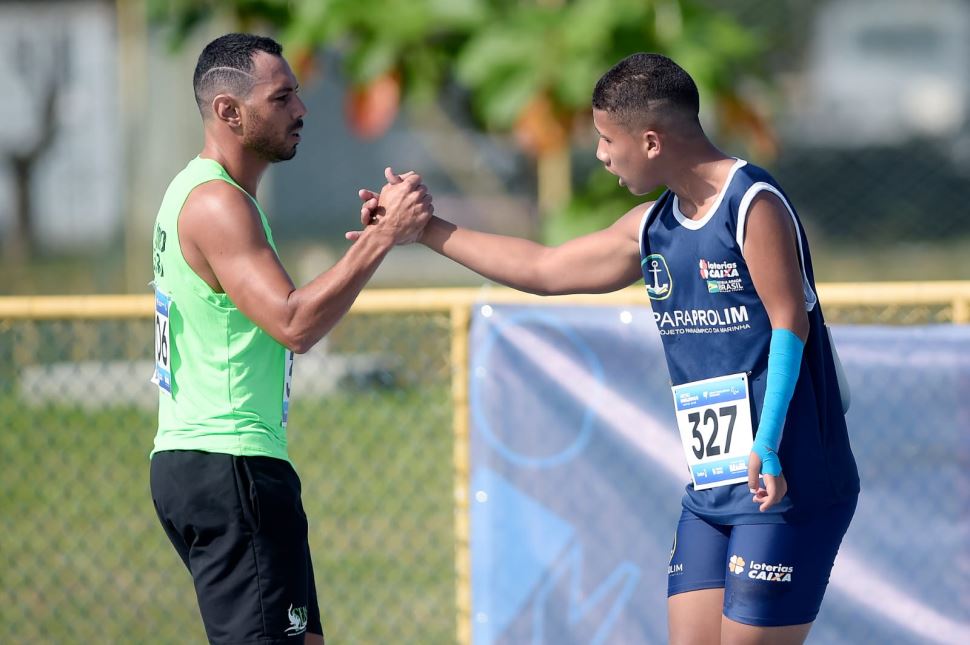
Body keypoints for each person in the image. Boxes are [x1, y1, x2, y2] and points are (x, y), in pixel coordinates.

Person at [354, 53, 860, 644]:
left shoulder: (753, 204)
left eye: (604, 138)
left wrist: (768, 444)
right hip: (712, 489)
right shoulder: (653, 226)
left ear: (650, 140)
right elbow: (543, 268)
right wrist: (424, 230)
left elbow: (788, 324)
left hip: (786, 479)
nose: (599, 154)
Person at [149, 33, 431, 645]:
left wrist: (376, 239)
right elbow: (294, 323)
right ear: (229, 111)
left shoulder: (210, 196)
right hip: (230, 465)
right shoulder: (218, 204)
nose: (302, 110)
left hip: (226, 464)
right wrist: (384, 241)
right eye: (282, 98)